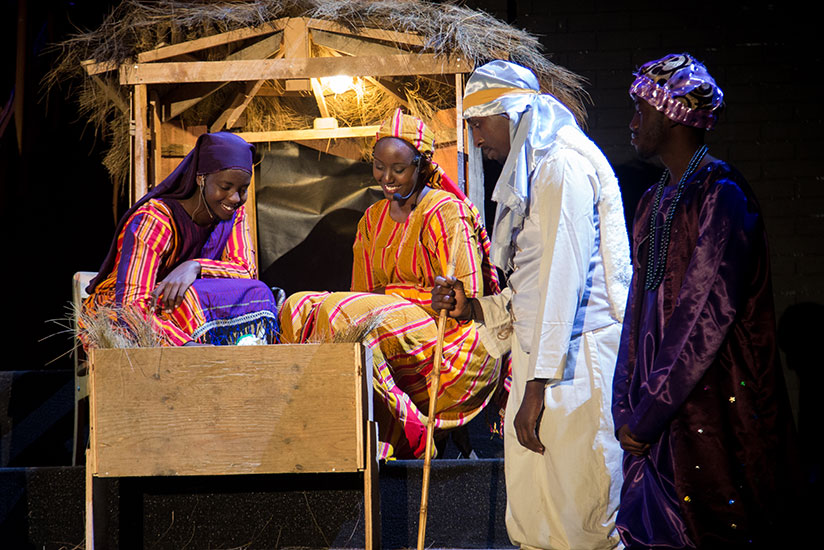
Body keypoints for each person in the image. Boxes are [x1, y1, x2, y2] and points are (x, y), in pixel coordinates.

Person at [432, 60, 631, 550]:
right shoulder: (539, 168)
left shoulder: (562, 166)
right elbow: (535, 286)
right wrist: (476, 309)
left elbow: (563, 284)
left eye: (479, 124)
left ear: (510, 112)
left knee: (579, 512)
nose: (477, 140)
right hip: (543, 364)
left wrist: (537, 387)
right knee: (536, 513)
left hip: (573, 366)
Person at [612, 53, 799, 549]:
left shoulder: (722, 195)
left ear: (672, 113)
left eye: (640, 110)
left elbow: (702, 319)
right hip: (656, 414)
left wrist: (650, 411)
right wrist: (626, 405)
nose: (632, 122)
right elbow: (638, 311)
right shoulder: (655, 199)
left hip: (710, 412)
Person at [278, 109, 505, 460]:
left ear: (421, 165)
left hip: (451, 339)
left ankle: (413, 432)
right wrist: (387, 300)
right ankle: (327, 428)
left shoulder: (445, 211)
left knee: (347, 315)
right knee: (297, 306)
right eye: (379, 167)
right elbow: (363, 296)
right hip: (392, 324)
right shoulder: (371, 219)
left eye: (398, 169)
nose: (387, 178)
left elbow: (466, 299)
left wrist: (396, 297)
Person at [81, 132, 279, 347]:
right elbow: (130, 306)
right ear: (201, 178)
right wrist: (186, 347)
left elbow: (246, 271)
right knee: (191, 297)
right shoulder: (154, 220)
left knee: (257, 291)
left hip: (184, 309)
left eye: (243, 190)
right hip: (133, 312)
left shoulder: (233, 216)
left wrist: (195, 266)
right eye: (225, 187)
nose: (235, 198)